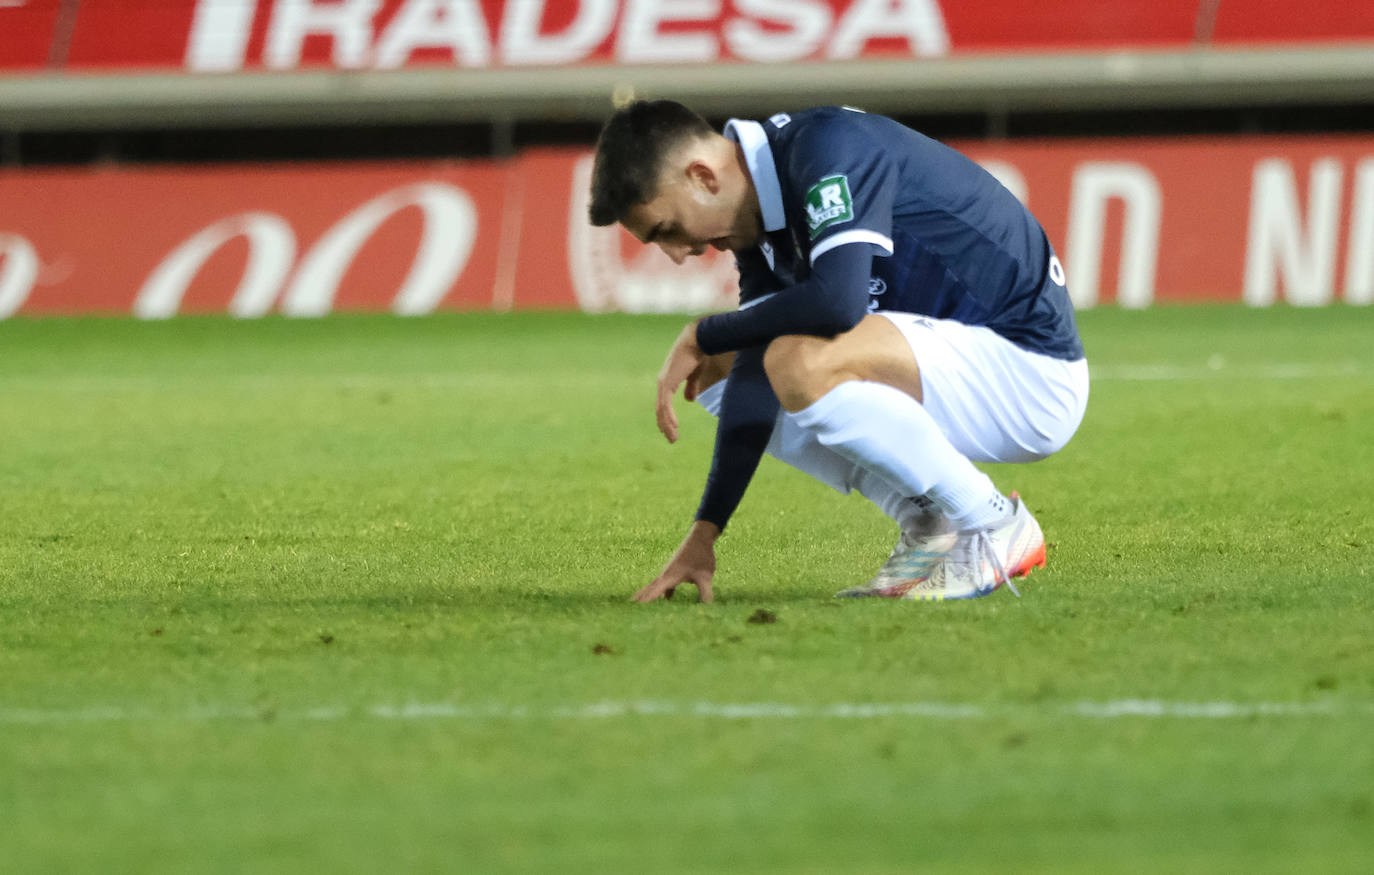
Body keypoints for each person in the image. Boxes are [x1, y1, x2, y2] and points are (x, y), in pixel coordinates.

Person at [587, 100, 1088, 604]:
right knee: (723, 365)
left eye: (667, 229)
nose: (678, 255)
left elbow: (839, 303)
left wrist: (703, 332)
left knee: (798, 360)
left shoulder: (828, 148)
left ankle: (991, 525)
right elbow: (752, 373)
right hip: (952, 366)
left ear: (703, 177)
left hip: (1029, 372)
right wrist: (705, 534)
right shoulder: (759, 214)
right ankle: (929, 519)